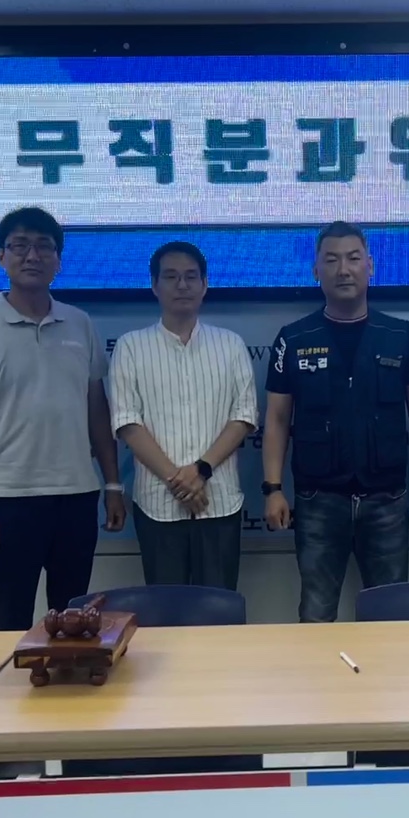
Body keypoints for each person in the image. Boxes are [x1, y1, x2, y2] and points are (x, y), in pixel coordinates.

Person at [0, 206, 125, 632]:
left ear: (58, 260)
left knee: (73, 620)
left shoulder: (79, 323)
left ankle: (67, 676)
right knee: (11, 617)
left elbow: (97, 412)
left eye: (44, 246)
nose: (33, 256)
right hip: (10, 499)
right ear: (1, 256)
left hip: (77, 495)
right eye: (20, 246)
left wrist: (113, 485)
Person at [262, 221, 409, 622]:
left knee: (390, 615)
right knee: (316, 614)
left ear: (370, 266)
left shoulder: (401, 335)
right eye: (332, 260)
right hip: (318, 501)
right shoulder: (294, 338)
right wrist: (272, 489)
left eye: (354, 258)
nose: (344, 269)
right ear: (315, 270)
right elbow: (277, 419)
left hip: (387, 500)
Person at [110, 242, 258, 589]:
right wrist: (179, 482)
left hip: (218, 501)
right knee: (165, 611)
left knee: (219, 610)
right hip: (157, 505)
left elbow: (244, 415)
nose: (182, 285)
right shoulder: (131, 346)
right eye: (171, 277)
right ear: (154, 285)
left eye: (191, 277)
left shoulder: (230, 345)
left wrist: (201, 470)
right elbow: (127, 422)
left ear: (204, 285)